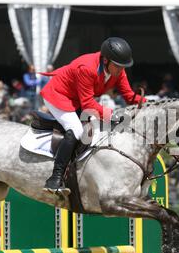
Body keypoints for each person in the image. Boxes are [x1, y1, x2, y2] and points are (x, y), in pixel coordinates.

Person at [39, 37, 145, 196]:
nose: (119, 70)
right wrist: (112, 114)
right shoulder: (87, 68)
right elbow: (88, 104)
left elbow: (129, 96)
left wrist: (150, 103)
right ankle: (55, 178)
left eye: (122, 67)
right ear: (106, 60)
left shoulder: (119, 70)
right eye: (117, 66)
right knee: (76, 129)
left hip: (78, 97)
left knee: (97, 130)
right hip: (59, 95)